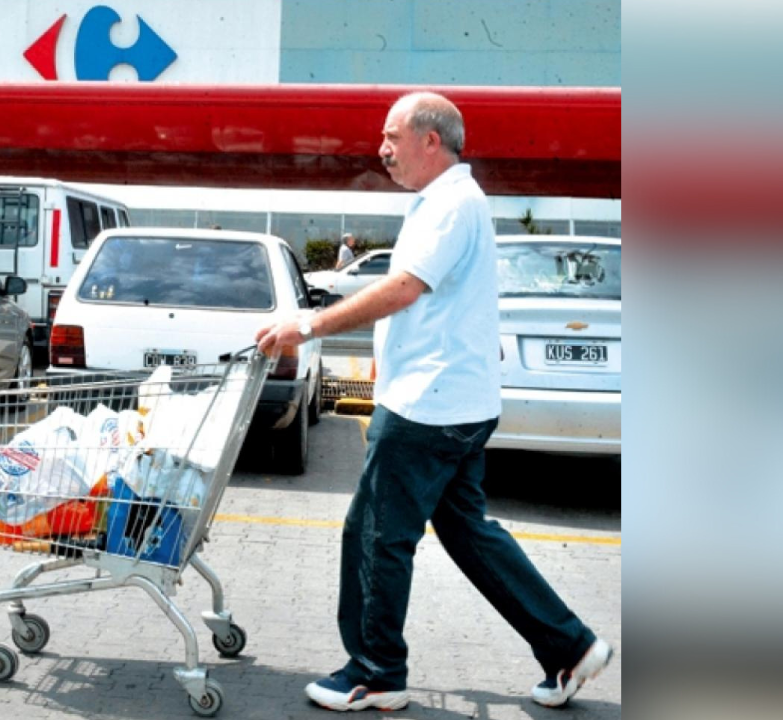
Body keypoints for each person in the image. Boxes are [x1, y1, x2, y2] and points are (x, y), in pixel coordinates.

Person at [255, 92, 612, 712]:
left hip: (428, 407)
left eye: (392, 137)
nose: (381, 149)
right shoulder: (449, 202)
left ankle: (376, 672)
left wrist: (309, 326)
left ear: (431, 140)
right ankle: (568, 646)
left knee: (374, 533)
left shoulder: (450, 203)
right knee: (468, 532)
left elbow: (403, 289)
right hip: (455, 402)